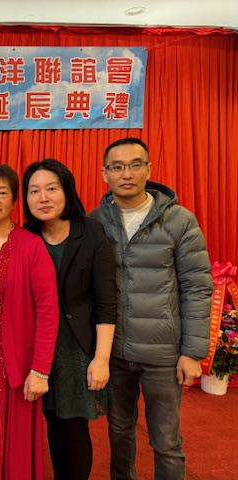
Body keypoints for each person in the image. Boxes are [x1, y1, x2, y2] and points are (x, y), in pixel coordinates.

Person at [90, 138, 213, 480]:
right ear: (104, 174)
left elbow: (197, 287)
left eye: (135, 165)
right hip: (114, 352)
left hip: (163, 354)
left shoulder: (179, 221)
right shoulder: (95, 222)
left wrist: (192, 352)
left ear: (149, 169)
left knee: (166, 441)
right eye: (117, 167)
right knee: (119, 433)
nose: (126, 174)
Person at [0, 164, 59, 480]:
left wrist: (40, 369)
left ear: (15, 200)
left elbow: (48, 310)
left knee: (15, 444)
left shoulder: (30, 246)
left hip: (18, 364)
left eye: (2, 193)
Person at [23, 159, 117, 479]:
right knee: (53, 423)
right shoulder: (26, 236)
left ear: (67, 191)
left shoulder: (90, 232)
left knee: (73, 428)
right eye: (34, 191)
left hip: (76, 348)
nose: (43, 198)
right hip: (39, 347)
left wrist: (101, 359)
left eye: (51, 188)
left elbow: (106, 301)